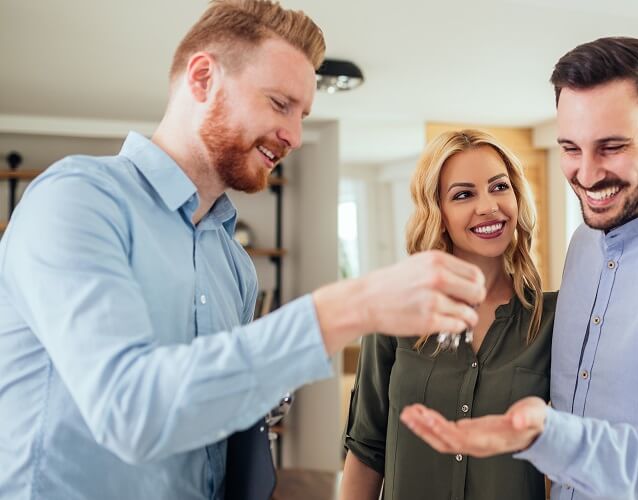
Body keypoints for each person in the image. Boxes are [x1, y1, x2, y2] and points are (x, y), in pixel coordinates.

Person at [0, 2, 485, 499]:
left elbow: (212, 414)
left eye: (302, 115)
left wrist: (264, 394)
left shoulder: (232, 263)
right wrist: (349, 306)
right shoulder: (78, 198)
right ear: (204, 78)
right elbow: (130, 411)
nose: (294, 136)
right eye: (279, 104)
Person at [401, 37, 638, 500]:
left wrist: (545, 436)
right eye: (571, 148)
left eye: (612, 147)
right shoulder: (585, 244)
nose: (588, 174)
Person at [340, 129, 557, 500]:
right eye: (463, 194)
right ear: (437, 211)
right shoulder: (394, 313)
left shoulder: (553, 320)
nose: (489, 206)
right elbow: (366, 451)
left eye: (499, 187)